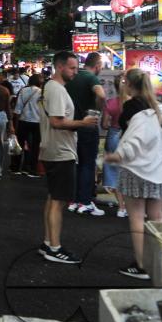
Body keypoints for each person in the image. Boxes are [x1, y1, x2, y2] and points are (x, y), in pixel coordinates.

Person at [104, 68, 162, 280]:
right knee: (157, 217)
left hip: (136, 170)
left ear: (129, 85)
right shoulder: (159, 108)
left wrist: (118, 155)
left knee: (137, 218)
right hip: (158, 170)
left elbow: (135, 140)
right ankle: (161, 261)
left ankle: (142, 266)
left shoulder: (133, 109)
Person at [38, 51, 99, 265]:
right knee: (58, 201)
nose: (75, 72)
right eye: (72, 68)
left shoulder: (56, 88)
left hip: (57, 149)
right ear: (60, 67)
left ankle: (48, 242)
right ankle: (55, 247)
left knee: (53, 198)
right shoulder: (55, 89)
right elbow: (56, 121)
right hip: (59, 151)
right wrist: (83, 123)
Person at [65, 52, 106, 216]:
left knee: (76, 163)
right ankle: (85, 202)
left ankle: (74, 200)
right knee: (88, 164)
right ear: (97, 65)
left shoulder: (72, 78)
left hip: (71, 126)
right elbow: (101, 95)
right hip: (87, 126)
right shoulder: (91, 78)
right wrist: (96, 112)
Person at [101, 75, 128, 218]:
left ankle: (121, 208)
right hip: (130, 136)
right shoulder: (134, 103)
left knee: (115, 171)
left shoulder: (110, 103)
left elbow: (104, 124)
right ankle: (132, 206)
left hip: (114, 135)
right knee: (130, 170)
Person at [12, 74, 43, 177]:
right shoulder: (41, 92)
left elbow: (17, 109)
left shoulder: (23, 91)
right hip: (37, 122)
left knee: (19, 144)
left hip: (23, 121)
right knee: (34, 146)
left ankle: (15, 167)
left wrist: (15, 124)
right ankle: (31, 168)